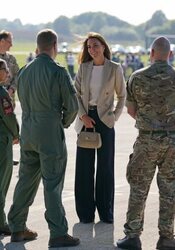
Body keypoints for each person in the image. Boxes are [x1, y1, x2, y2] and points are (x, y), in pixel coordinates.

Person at [116, 36, 175, 250]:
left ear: (151, 53)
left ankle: (132, 236)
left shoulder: (137, 77)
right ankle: (166, 237)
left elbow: (131, 110)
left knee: (139, 187)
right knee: (169, 189)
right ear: (170, 54)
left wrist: (149, 123)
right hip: (172, 140)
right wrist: (168, 125)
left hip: (146, 138)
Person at [7, 29, 80, 248]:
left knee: (26, 181)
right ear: (54, 45)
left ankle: (17, 227)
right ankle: (58, 232)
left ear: (38, 46)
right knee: (53, 183)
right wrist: (63, 122)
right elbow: (72, 106)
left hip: (28, 131)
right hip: (49, 131)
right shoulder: (57, 71)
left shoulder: (24, 70)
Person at [74, 32, 126, 224]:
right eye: (89, 47)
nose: (92, 50)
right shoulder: (83, 68)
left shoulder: (114, 68)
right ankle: (85, 215)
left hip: (105, 120)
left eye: (95, 45)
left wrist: (114, 117)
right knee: (84, 168)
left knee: (105, 168)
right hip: (86, 119)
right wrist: (83, 115)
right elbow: (76, 94)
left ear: (103, 47)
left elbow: (122, 96)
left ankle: (106, 213)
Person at [0, 58, 19, 236]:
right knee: (2, 182)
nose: (7, 73)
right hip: (2, 141)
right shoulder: (2, 94)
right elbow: (9, 117)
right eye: (5, 69)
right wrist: (16, 134)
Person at [0, 30, 20, 166]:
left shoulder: (11, 59)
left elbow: (18, 76)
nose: (11, 45)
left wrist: (12, 89)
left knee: (8, 124)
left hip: (8, 99)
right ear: (2, 41)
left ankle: (8, 153)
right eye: (9, 41)